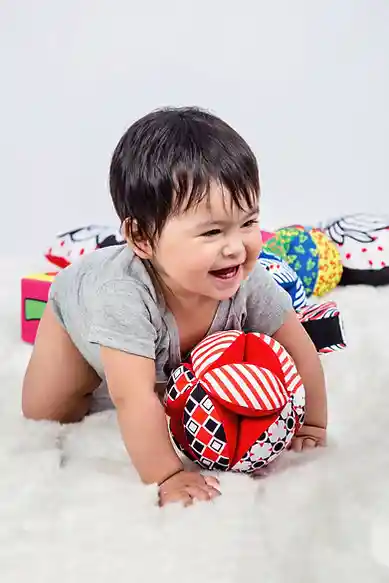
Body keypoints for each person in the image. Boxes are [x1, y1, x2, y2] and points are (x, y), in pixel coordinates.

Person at [22, 106, 327, 507]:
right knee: (49, 412)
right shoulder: (122, 297)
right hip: (75, 316)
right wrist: (168, 474)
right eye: (213, 231)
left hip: (159, 350)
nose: (236, 247)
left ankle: (148, 370)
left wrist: (313, 424)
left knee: (162, 389)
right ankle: (119, 369)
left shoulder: (248, 282)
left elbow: (300, 350)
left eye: (249, 223)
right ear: (143, 237)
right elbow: (132, 399)